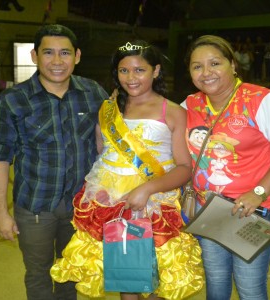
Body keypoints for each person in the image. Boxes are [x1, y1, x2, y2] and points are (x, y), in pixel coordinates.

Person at [50, 40, 204, 300]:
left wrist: (147, 188)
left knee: (156, 269)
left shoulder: (174, 111)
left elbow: (184, 168)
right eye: (124, 71)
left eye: (139, 70)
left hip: (154, 200)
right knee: (125, 271)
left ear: (155, 71)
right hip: (109, 199)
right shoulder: (108, 109)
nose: (131, 78)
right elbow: (102, 154)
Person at [0, 24, 109, 300]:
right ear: (34, 56)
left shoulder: (93, 93)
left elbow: (113, 141)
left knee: (71, 270)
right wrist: (0, 212)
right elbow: (0, 156)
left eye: (65, 53)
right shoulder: (12, 101)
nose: (57, 61)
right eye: (49, 53)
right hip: (35, 207)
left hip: (81, 206)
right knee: (38, 273)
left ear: (77, 56)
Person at [182, 35, 270, 300]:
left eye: (215, 63)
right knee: (215, 279)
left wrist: (259, 191)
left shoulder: (263, 100)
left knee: (249, 286)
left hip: (253, 209)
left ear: (233, 65)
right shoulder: (189, 105)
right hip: (210, 208)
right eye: (197, 66)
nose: (206, 72)